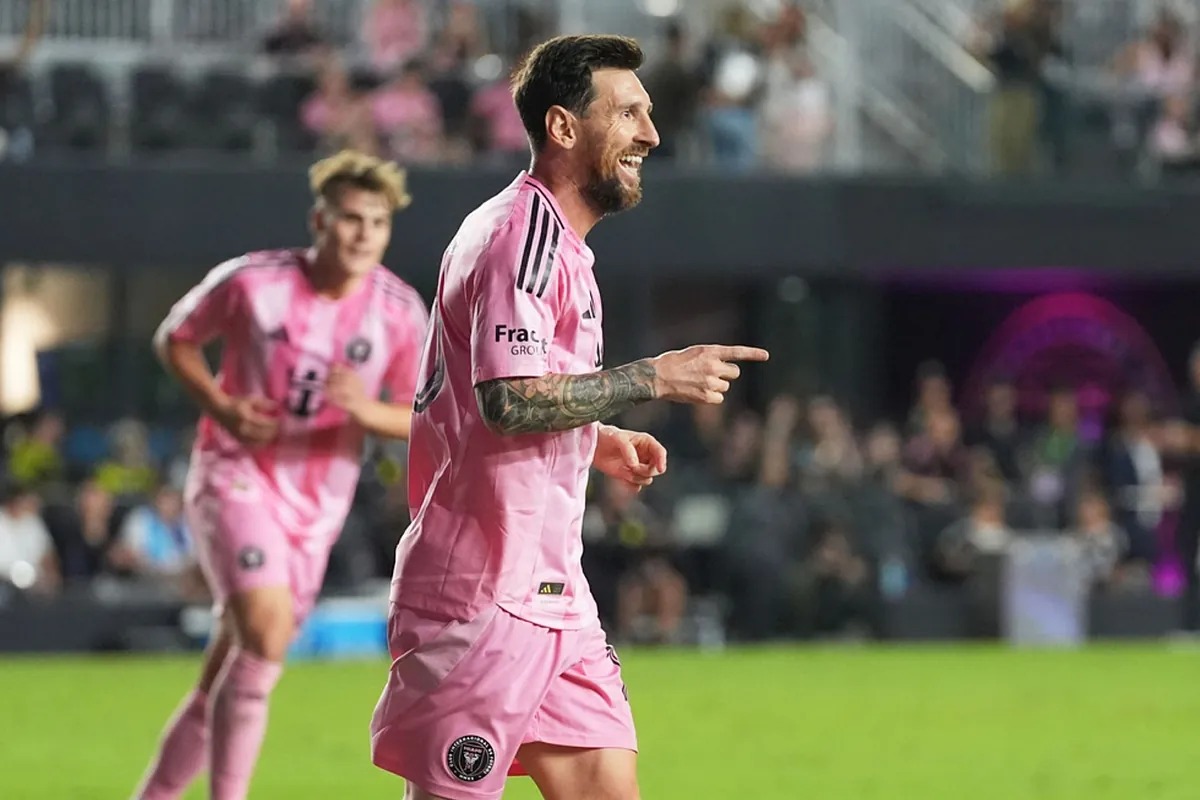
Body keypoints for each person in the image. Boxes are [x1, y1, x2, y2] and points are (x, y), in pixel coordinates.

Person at [369, 35, 769, 800]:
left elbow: (505, 394)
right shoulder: (522, 239)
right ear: (562, 128)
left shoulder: (558, 247)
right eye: (627, 114)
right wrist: (651, 376)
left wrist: (594, 437)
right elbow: (507, 399)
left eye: (648, 114)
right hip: (482, 597)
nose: (650, 134)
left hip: (553, 594)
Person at [133, 150, 429, 800]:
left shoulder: (400, 312)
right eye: (350, 219)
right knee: (266, 633)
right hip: (233, 474)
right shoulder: (252, 282)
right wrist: (222, 406)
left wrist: (364, 409)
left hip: (318, 505)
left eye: (377, 223)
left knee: (232, 667)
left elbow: (422, 417)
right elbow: (176, 338)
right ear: (319, 220)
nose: (362, 235)